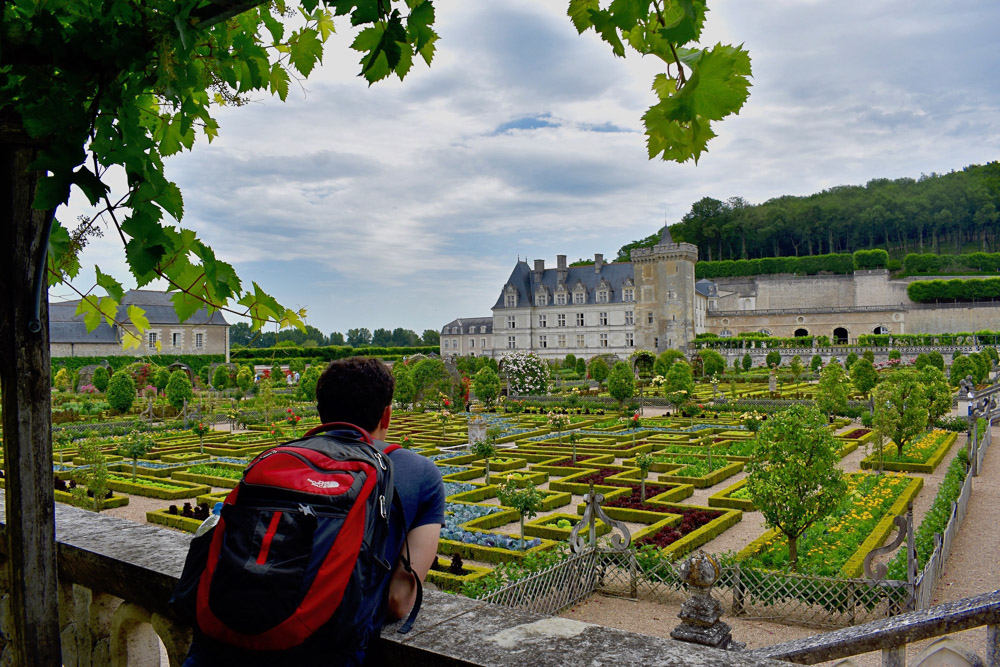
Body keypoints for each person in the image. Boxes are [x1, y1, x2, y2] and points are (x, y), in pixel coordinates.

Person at [183, 357, 445, 665]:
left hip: (218, 650)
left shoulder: (277, 461)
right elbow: (398, 602)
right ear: (386, 415)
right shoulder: (420, 473)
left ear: (320, 412)